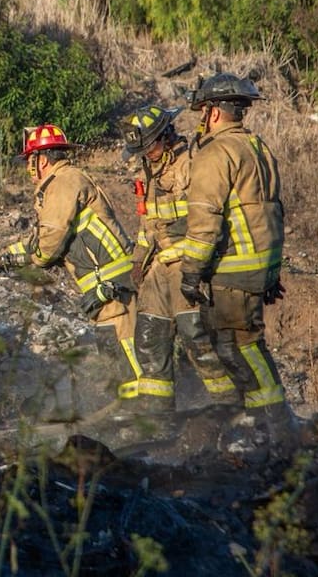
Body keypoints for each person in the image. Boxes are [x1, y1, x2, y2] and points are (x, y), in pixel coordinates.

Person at [0, 123, 140, 403]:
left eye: (30, 160)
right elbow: (37, 241)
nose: (29, 168)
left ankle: (145, 411)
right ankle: (128, 409)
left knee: (125, 348)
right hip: (103, 284)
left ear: (41, 159)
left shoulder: (63, 182)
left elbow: (49, 242)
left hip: (110, 283)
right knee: (113, 349)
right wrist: (0, 260)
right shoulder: (63, 181)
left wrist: (35, 259)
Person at [177, 73, 290, 428]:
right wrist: (270, 273)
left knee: (241, 345)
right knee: (239, 344)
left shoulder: (216, 153)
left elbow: (205, 219)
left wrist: (192, 270)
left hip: (232, 269)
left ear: (211, 113)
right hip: (260, 266)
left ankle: (273, 421)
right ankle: (258, 419)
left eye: (202, 112)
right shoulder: (258, 149)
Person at [119, 104, 237, 416]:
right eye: (141, 150)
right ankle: (156, 417)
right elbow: (149, 223)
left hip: (188, 264)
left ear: (166, 136)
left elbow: (207, 219)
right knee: (149, 339)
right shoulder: (149, 170)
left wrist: (196, 269)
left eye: (149, 147)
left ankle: (230, 408)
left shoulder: (191, 165)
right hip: (159, 268)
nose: (146, 155)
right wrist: (138, 259)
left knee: (196, 338)